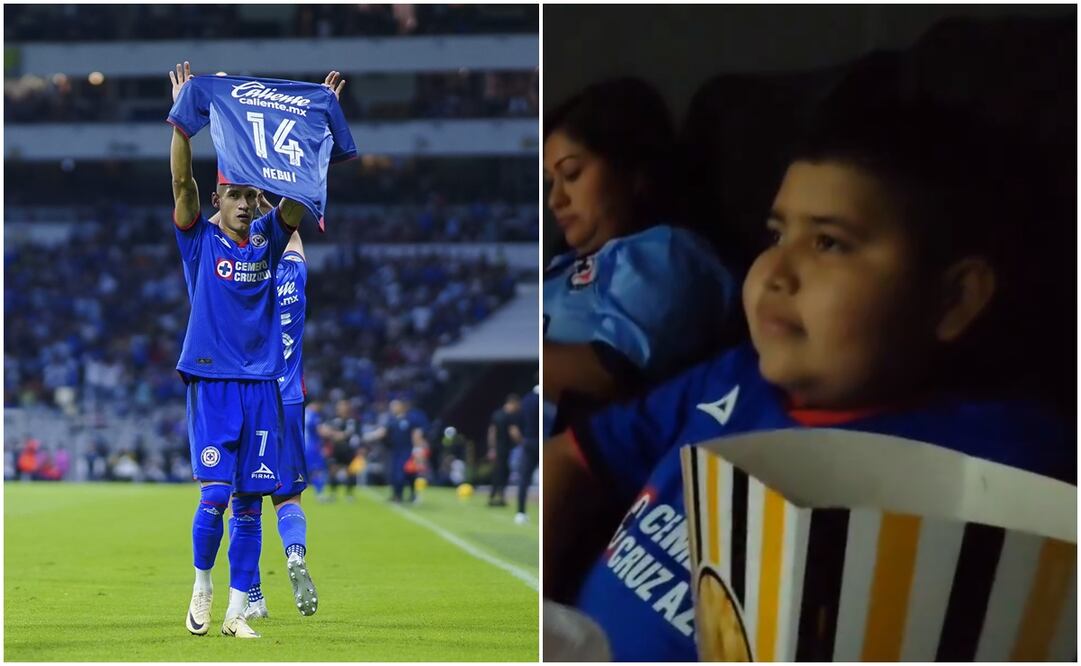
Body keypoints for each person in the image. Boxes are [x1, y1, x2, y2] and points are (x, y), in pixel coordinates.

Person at [543, 91, 1075, 660]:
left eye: (829, 243)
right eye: (776, 236)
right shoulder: (733, 375)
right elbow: (573, 454)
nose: (774, 270)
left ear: (953, 299)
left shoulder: (998, 457)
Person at [169, 61, 306, 640]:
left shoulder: (269, 241)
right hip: (213, 381)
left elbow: (297, 203)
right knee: (216, 497)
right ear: (218, 199)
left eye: (252, 195)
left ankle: (234, 613)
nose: (247, 204)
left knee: (251, 503)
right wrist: (182, 122)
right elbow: (182, 185)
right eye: (236, 195)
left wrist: (310, 131)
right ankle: (201, 587)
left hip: (262, 385)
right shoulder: (199, 240)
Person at [542, 78, 741, 433]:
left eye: (571, 174)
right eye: (549, 183)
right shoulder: (561, 265)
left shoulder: (669, 254)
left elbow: (605, 376)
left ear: (634, 171)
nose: (555, 199)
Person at [487, 393, 523, 507]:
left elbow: (492, 432)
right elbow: (513, 432)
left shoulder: (497, 414)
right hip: (505, 449)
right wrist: (523, 442)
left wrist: (492, 448)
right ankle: (501, 497)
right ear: (513, 403)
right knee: (504, 472)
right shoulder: (510, 417)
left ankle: (493, 496)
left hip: (497, 448)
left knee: (497, 472)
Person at [515, 385, 540, 524]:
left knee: (524, 478)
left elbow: (518, 423)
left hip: (529, 442)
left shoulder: (526, 400)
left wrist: (523, 439)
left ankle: (520, 512)